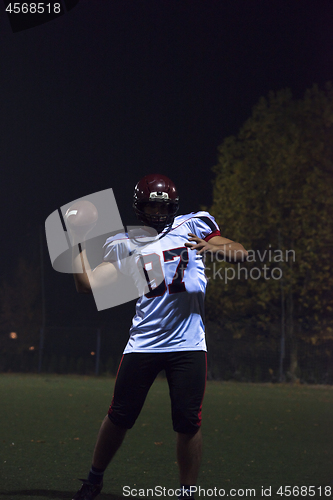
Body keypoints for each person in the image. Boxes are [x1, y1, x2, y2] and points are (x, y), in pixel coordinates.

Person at [70, 174, 248, 500]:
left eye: (162, 205)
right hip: (144, 342)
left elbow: (240, 252)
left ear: (174, 206)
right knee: (119, 415)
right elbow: (87, 284)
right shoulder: (126, 242)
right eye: (151, 204)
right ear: (140, 206)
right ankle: (94, 479)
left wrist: (212, 246)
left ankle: (187, 493)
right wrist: (78, 242)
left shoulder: (195, 225)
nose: (157, 210)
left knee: (188, 423)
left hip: (188, 342)